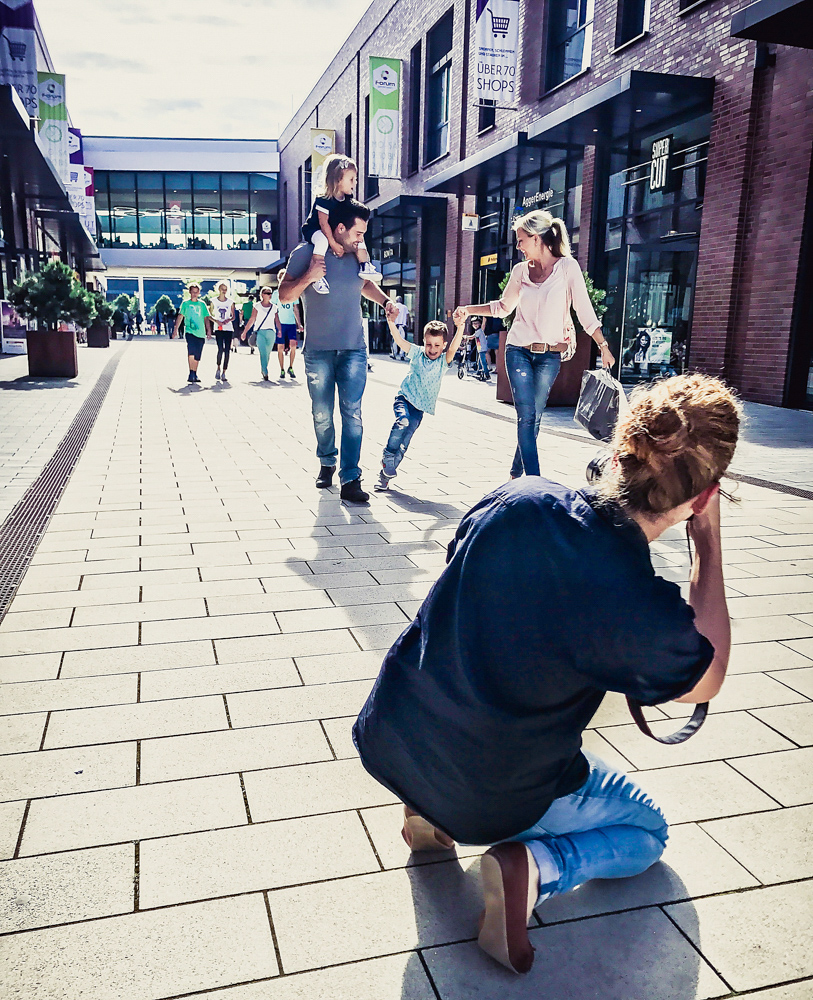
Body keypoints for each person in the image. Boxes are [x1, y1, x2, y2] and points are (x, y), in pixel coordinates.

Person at [354, 372, 740, 974]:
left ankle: (425, 811)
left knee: (472, 687)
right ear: (702, 496)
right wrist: (708, 547)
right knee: (648, 832)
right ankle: (535, 870)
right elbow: (707, 678)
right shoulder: (637, 607)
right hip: (493, 793)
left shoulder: (521, 497)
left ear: (619, 451)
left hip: (394, 731)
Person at [456, 210, 616, 479]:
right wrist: (469, 309)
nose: (518, 246)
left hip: (549, 357)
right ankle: (534, 483)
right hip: (517, 350)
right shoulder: (520, 271)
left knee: (534, 419)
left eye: (521, 240)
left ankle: (515, 475)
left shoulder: (567, 268)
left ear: (537, 238)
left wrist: (603, 345)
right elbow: (503, 307)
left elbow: (584, 310)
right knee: (527, 417)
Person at [280, 198, 398, 504]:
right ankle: (327, 461)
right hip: (317, 350)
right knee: (322, 414)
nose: (362, 240)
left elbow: (364, 285)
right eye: (358, 233)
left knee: (353, 414)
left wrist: (386, 302)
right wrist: (309, 277)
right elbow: (284, 295)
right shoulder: (306, 253)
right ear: (340, 228)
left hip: (353, 350)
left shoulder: (357, 256)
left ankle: (350, 477)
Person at [375, 315, 465, 492]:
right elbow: (400, 342)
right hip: (405, 399)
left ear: (443, 345)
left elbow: (454, 348)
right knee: (403, 422)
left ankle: (384, 476)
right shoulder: (417, 353)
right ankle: (387, 456)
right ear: (423, 341)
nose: (432, 349)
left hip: (419, 409)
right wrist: (391, 322)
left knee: (404, 443)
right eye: (429, 344)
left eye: (437, 345)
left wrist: (460, 326)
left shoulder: (442, 362)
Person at [301, 154, 381, 295]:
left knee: (359, 238)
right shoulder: (324, 199)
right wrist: (333, 244)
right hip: (315, 230)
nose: (354, 183)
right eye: (351, 179)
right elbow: (323, 223)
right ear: (338, 180)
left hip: (332, 229)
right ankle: (317, 276)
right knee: (321, 241)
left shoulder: (347, 199)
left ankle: (365, 265)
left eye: (355, 179)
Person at [173, 283, 211, 384]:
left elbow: (206, 318)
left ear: (199, 293)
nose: (194, 294)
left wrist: (209, 330)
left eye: (196, 292)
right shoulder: (185, 304)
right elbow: (180, 316)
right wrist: (175, 329)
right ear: (189, 292)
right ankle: (191, 373)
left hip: (201, 332)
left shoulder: (202, 304)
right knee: (191, 351)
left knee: (198, 354)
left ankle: (195, 372)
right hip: (190, 331)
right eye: (192, 292)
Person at [241, 287, 278, 381]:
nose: (269, 295)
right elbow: (252, 319)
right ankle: (265, 371)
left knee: (268, 353)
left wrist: (280, 330)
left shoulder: (274, 307)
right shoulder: (257, 306)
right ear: (262, 295)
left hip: (271, 331)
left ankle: (264, 368)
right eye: (267, 293)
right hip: (260, 331)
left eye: (270, 293)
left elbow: (277, 320)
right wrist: (245, 331)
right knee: (262, 352)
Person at [272, 269, 303, 379]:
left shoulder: (293, 293)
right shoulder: (275, 294)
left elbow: (296, 309)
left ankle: (291, 366)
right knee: (280, 347)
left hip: (291, 323)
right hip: (280, 323)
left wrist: (299, 323)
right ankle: (281, 369)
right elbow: (273, 310)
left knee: (293, 346)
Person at [210, 281, 235, 382]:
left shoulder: (230, 302)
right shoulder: (213, 301)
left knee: (227, 350)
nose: (224, 291)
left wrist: (227, 320)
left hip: (228, 328)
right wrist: (216, 321)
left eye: (225, 289)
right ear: (219, 290)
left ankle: (224, 371)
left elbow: (233, 316)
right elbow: (209, 314)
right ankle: (218, 367)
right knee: (220, 349)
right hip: (218, 328)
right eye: (222, 289)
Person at [470, 315, 491, 381]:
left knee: (483, 362)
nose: (475, 325)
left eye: (477, 323)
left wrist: (465, 337)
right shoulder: (478, 331)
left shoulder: (479, 331)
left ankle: (487, 374)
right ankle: (478, 372)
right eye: (473, 324)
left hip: (482, 348)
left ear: (479, 324)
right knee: (479, 361)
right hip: (480, 348)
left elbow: (472, 337)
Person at [392, 295, 409, 361]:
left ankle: (394, 354)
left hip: (396, 326)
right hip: (403, 326)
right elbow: (407, 316)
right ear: (401, 301)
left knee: (395, 341)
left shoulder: (394, 307)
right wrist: (407, 324)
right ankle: (402, 354)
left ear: (396, 301)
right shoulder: (405, 307)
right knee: (403, 340)